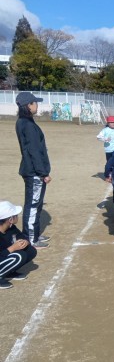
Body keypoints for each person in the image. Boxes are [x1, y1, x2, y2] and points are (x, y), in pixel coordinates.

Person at [15, 91, 52, 249]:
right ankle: (31, 238)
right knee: (32, 205)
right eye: (35, 103)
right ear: (28, 105)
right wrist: (43, 173)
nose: (37, 105)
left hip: (32, 170)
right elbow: (34, 151)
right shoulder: (27, 125)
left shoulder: (24, 122)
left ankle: (34, 233)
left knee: (36, 204)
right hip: (34, 172)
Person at [0, 201, 37, 290]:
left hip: (3, 257)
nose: (17, 216)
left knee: (30, 250)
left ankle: (8, 272)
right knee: (19, 256)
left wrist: (25, 242)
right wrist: (12, 248)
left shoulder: (11, 228)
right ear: (10, 219)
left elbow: (22, 237)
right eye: (15, 215)